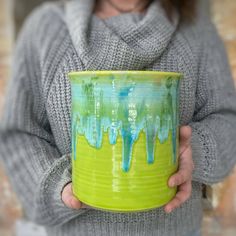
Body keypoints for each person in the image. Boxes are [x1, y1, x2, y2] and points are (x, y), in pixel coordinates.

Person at [0, 0, 236, 235]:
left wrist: (194, 151)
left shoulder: (195, 28)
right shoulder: (46, 27)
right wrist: (56, 186)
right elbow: (18, 133)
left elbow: (227, 119)